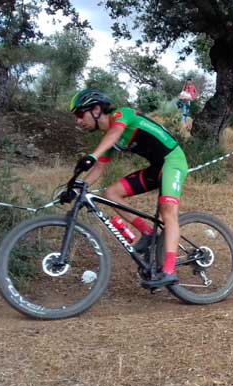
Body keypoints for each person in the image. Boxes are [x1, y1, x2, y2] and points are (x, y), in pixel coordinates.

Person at [68, 89, 188, 288]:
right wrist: (78, 186)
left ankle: (169, 270)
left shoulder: (122, 115)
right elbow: (99, 168)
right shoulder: (108, 139)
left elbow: (115, 133)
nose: (78, 121)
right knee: (111, 193)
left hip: (173, 160)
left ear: (97, 110)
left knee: (168, 210)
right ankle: (148, 233)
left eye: (80, 114)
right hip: (156, 168)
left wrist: (92, 155)